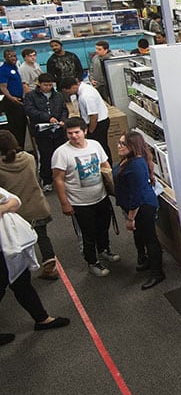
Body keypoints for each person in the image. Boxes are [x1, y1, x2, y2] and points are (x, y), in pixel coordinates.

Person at [0, 186, 70, 346]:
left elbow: (15, 201)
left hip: (8, 248)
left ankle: (42, 318)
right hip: (4, 250)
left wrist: (2, 208)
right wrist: (5, 207)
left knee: (22, 283)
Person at [52, 117, 117, 276]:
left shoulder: (95, 145)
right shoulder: (61, 153)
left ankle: (104, 250)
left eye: (77, 132)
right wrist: (64, 203)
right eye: (70, 133)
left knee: (103, 227)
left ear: (85, 131)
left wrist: (112, 186)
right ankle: (92, 261)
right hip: (79, 202)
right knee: (88, 234)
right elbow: (58, 179)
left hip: (101, 197)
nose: (74, 136)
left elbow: (105, 166)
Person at [0, 130, 58, 279]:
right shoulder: (29, 158)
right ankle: (50, 266)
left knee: (17, 243)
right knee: (43, 237)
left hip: (16, 213)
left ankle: (20, 273)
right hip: (38, 206)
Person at [114, 131, 165, 290]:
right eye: (119, 142)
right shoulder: (127, 160)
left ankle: (157, 273)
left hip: (142, 208)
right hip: (134, 207)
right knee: (141, 235)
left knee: (150, 239)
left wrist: (130, 219)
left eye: (123, 144)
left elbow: (136, 196)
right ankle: (149, 262)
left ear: (133, 146)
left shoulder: (136, 165)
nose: (119, 146)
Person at [22, 73, 68, 191]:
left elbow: (64, 109)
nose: (48, 87)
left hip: (58, 131)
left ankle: (65, 178)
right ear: (39, 84)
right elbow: (29, 110)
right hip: (42, 132)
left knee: (62, 155)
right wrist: (47, 118)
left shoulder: (58, 96)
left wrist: (63, 120)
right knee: (46, 156)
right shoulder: (31, 96)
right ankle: (47, 181)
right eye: (45, 85)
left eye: (50, 85)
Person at [58, 77, 111, 165]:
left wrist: (89, 131)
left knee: (100, 147)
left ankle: (106, 168)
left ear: (73, 87)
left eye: (68, 92)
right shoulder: (84, 89)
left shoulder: (86, 96)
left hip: (97, 124)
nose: (68, 94)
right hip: (95, 122)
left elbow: (94, 116)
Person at [0, 49, 27, 148]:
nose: (13, 58)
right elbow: (3, 87)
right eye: (10, 56)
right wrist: (11, 98)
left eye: (15, 56)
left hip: (19, 99)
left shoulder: (14, 67)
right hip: (11, 102)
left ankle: (21, 147)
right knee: (16, 127)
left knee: (22, 126)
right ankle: (16, 148)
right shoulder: (3, 69)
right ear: (5, 57)